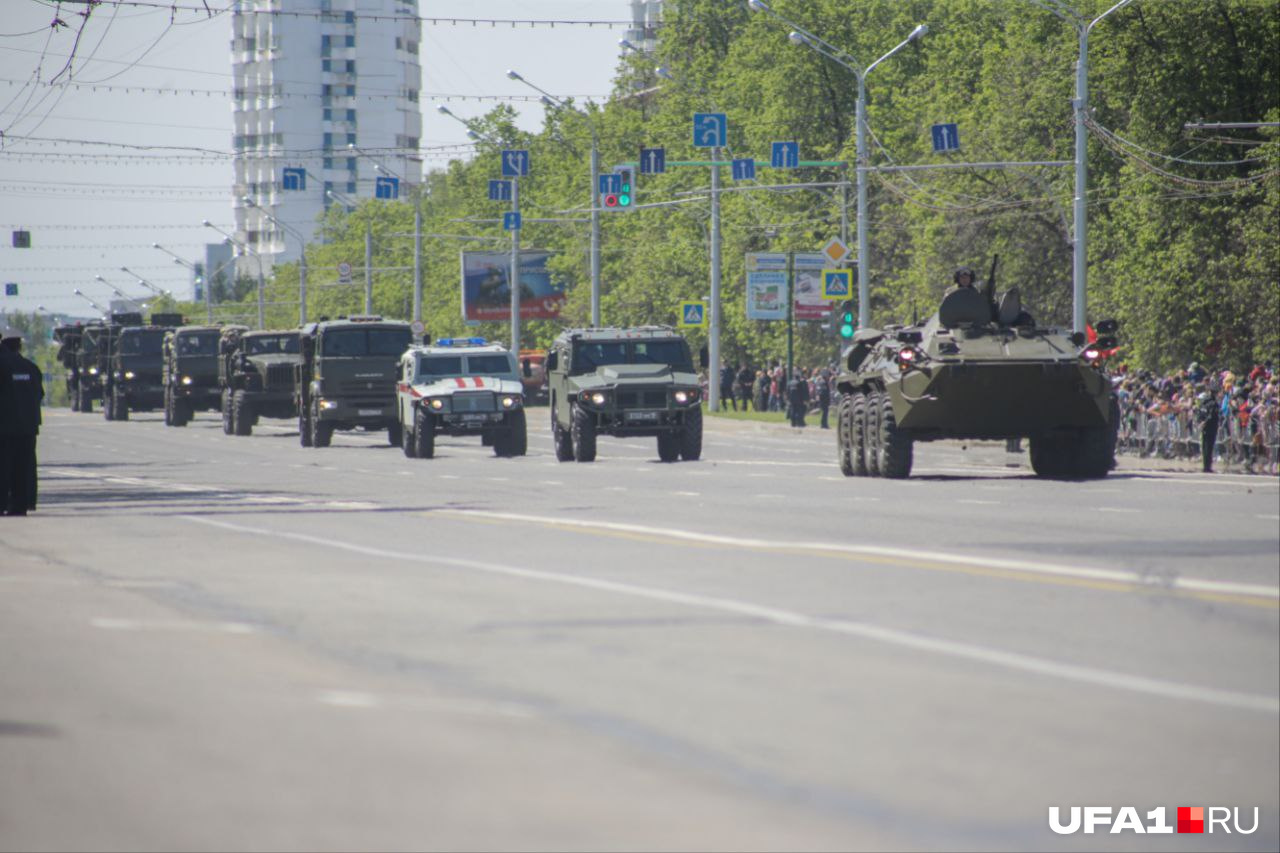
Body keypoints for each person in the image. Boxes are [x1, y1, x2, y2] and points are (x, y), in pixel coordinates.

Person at [0, 330, 44, 515]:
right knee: (23, 467)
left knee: (3, 467)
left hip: (4, 427)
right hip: (28, 427)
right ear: (19, 346)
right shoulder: (30, 367)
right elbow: (39, 394)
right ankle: (22, 504)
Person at [1197, 389, 1219, 473]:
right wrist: (1205, 422)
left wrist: (1200, 422)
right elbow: (1212, 415)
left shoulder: (1203, 403)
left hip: (1203, 427)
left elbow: (1199, 414)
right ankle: (1207, 467)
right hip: (1211, 427)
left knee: (1204, 447)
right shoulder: (1214, 404)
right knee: (1209, 447)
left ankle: (1205, 465)